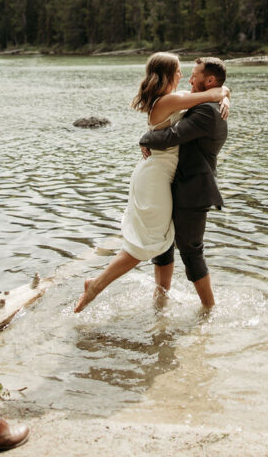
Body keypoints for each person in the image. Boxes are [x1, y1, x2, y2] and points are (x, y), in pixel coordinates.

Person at [74, 52, 228, 312]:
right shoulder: (173, 99)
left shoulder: (174, 99)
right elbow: (211, 95)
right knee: (146, 242)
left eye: (190, 73)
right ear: (168, 74)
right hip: (155, 176)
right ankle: (97, 284)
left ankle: (160, 302)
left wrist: (225, 94)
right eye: (179, 70)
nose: (184, 75)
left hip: (158, 175)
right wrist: (223, 95)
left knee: (161, 240)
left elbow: (213, 93)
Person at [141, 56, 228, 309]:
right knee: (163, 245)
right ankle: (160, 303)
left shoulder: (206, 111)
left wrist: (144, 138)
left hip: (193, 190)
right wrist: (224, 94)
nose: (189, 78)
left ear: (209, 80)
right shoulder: (204, 102)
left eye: (195, 74)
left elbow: (171, 136)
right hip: (174, 185)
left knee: (191, 250)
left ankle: (209, 309)